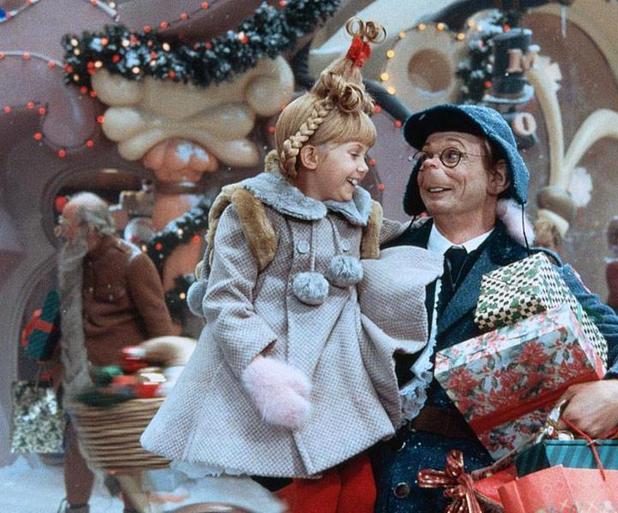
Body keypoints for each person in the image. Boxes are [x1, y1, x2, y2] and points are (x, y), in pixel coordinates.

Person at [141, 20, 441, 513]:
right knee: (297, 493)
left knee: (357, 490)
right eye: (354, 154)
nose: (363, 167)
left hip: (338, 379)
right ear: (310, 155)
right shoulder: (252, 212)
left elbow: (401, 235)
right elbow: (225, 298)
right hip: (267, 378)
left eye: (364, 155)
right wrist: (261, 369)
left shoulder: (356, 214)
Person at [369, 104, 618, 512]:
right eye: (425, 156)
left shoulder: (536, 270)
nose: (430, 166)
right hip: (368, 485)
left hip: (475, 495)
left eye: (452, 155)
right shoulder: (379, 254)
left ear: (498, 177)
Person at [55, 192, 176, 513]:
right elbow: (66, 317)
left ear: (91, 228)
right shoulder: (74, 262)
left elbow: (160, 327)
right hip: (82, 376)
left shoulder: (133, 262)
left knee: (124, 456)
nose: (62, 233)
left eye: (67, 225)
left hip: (124, 381)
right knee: (77, 446)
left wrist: (161, 382)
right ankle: (76, 508)